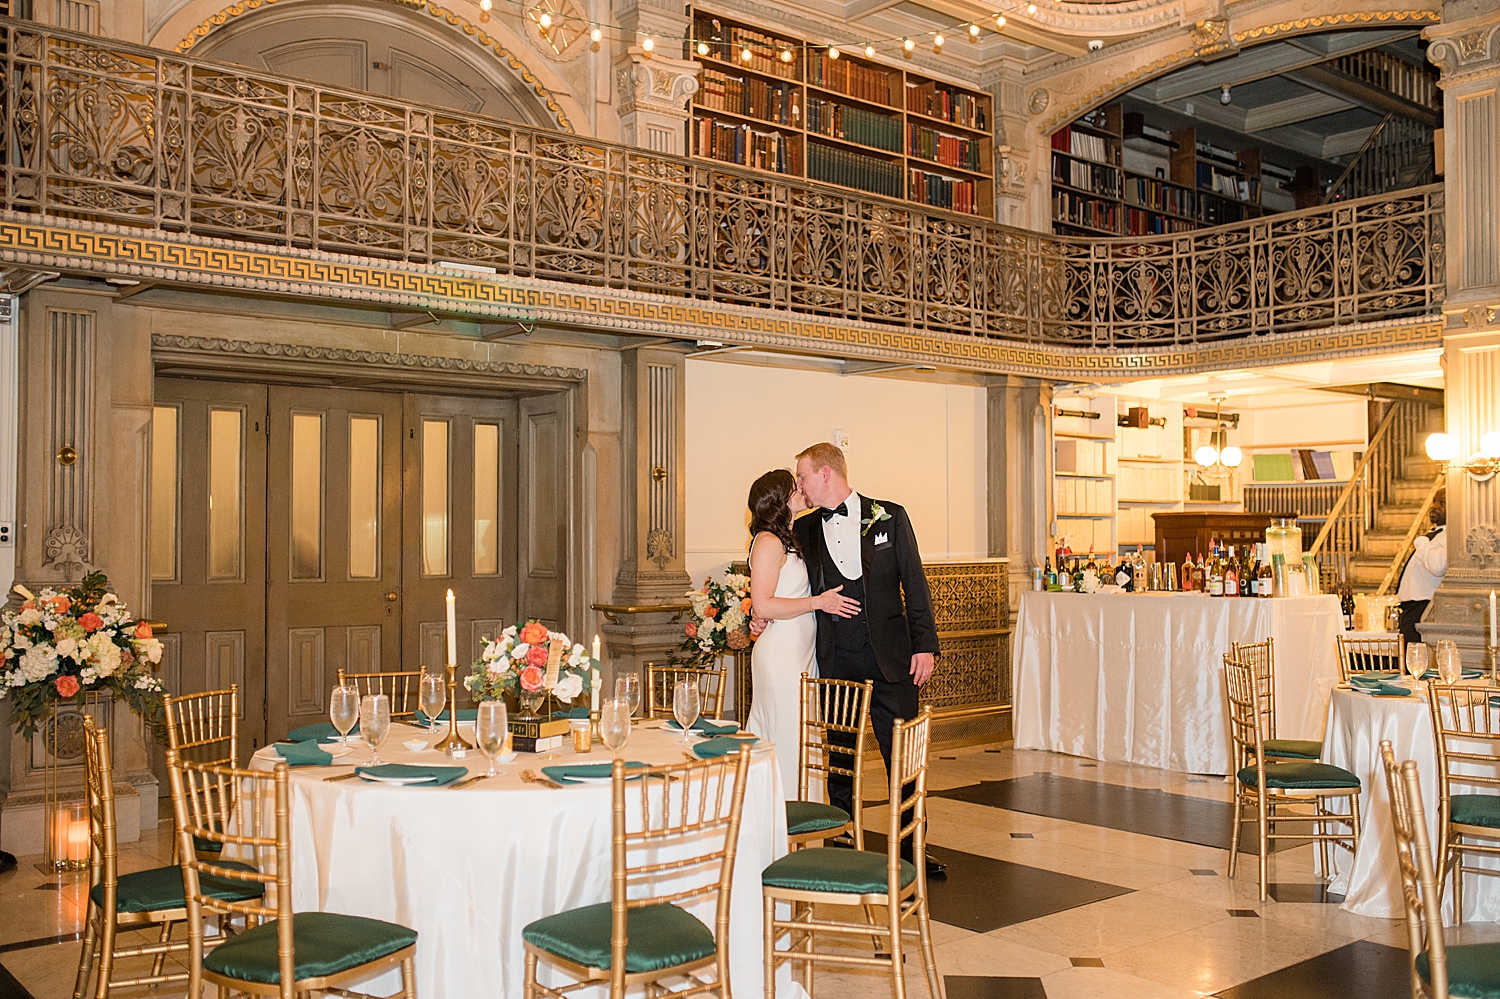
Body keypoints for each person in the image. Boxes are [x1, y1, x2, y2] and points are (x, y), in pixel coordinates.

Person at [791, 442, 945, 880]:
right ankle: (841, 840)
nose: (799, 485)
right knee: (839, 757)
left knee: (904, 759)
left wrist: (925, 645)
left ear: (825, 474)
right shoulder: (803, 531)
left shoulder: (890, 516)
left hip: (893, 660)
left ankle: (912, 848)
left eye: (802, 476)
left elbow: (914, 583)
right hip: (837, 659)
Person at [744, 469, 860, 799]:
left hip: (799, 652)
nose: (801, 489)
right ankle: (783, 820)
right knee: (786, 737)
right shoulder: (767, 541)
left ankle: (802, 821)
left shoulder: (787, 538)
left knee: (801, 737)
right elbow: (763, 605)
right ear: (779, 500)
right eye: (793, 487)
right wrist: (818, 603)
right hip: (780, 656)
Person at [1396, 490, 1447, 646]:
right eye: (1434, 501)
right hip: (1412, 609)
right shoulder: (1435, 535)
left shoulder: (1450, 535)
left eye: (1442, 503)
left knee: (1416, 665)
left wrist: (1422, 542)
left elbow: (1437, 566)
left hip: (1424, 608)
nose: (1434, 506)